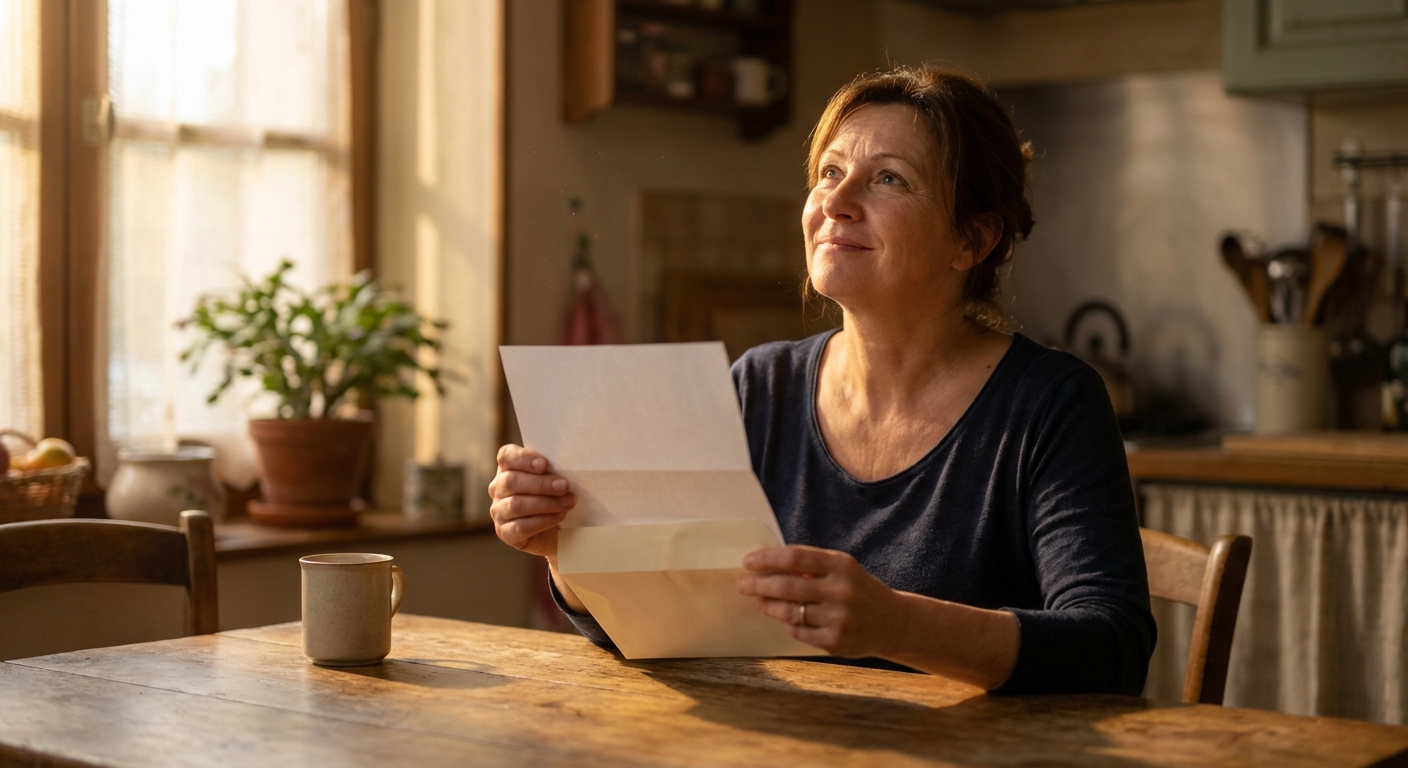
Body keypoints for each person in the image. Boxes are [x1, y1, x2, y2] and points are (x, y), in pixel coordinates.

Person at [488, 65, 1155, 695]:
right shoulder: (761, 385)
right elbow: (671, 628)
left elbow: (1113, 648)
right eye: (829, 172)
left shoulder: (1052, 404)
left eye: (888, 179)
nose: (835, 201)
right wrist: (570, 553)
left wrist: (897, 625)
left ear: (973, 240)